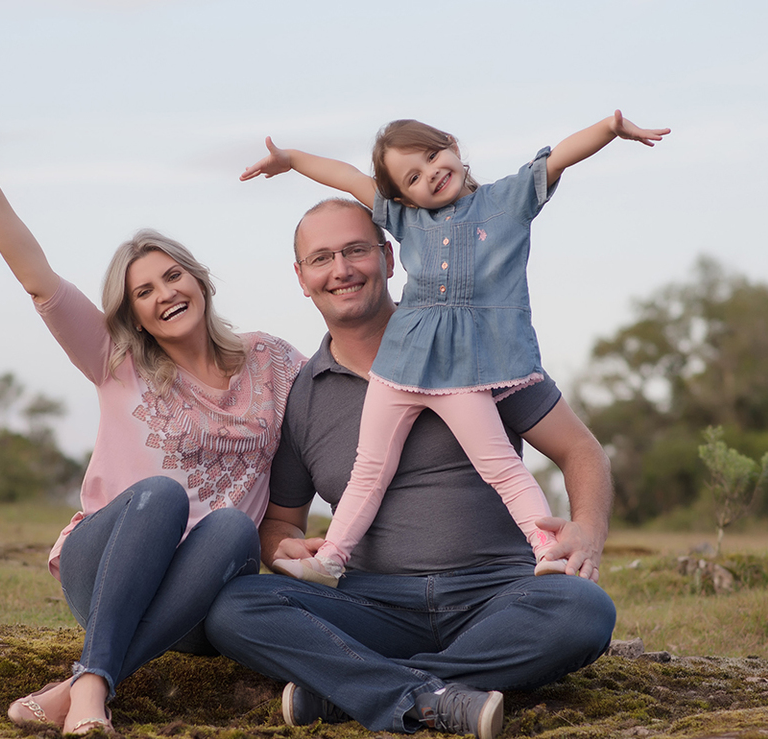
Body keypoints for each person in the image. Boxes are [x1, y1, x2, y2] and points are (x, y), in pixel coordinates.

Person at [0, 83, 304, 736]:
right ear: (133, 316)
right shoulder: (116, 361)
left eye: (173, 276)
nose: (164, 294)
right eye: (144, 292)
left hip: (203, 591)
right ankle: (95, 684)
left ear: (198, 280)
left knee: (234, 528)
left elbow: (346, 394)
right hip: (108, 568)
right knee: (160, 496)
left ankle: (81, 683)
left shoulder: (272, 361)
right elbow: (37, 276)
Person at [203, 198, 618, 739]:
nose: (342, 269)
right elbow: (281, 523)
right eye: (322, 258)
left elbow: (581, 451)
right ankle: (431, 694)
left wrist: (586, 530)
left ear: (390, 256)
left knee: (581, 609)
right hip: (371, 604)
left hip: (497, 594)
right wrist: (279, 547)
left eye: (356, 250)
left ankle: (352, 692)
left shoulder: (473, 345)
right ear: (302, 278)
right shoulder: (304, 394)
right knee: (234, 607)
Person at [239, 113, 667, 586]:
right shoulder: (409, 222)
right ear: (402, 197)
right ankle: (334, 557)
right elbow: (348, 177)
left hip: (465, 370)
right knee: (367, 469)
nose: (430, 175)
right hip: (400, 370)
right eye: (413, 178)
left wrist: (610, 129)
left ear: (451, 146)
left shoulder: (505, 202)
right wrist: (293, 159)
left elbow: (559, 158)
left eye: (431, 157)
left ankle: (545, 549)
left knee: (500, 466)